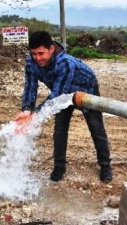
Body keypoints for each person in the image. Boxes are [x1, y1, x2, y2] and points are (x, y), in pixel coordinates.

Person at [14, 31, 112, 183]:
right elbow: (30, 87)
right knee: (60, 130)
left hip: (86, 90)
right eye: (34, 53)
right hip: (63, 94)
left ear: (51, 49)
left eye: (41, 53)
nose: (37, 58)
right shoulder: (31, 62)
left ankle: (105, 166)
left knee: (96, 128)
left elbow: (56, 96)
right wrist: (27, 110)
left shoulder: (66, 63)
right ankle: (59, 166)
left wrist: (36, 115)